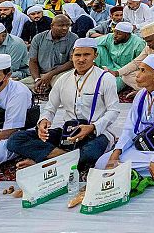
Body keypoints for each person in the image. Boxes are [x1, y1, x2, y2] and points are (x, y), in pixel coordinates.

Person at [7, 38, 120, 169]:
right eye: (78, 55)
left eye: (86, 55)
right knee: (15, 139)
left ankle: (45, 159)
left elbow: (113, 111)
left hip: (96, 133)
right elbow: (50, 107)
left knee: (90, 154)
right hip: (68, 133)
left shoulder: (106, 78)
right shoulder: (63, 79)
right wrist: (43, 121)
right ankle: (65, 157)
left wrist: (93, 127)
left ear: (95, 55)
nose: (81, 59)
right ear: (72, 56)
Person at [97, 54, 154, 182]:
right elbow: (130, 128)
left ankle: (149, 167)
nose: (137, 75)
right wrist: (116, 153)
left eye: (142, 70)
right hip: (142, 143)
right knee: (101, 163)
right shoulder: (140, 95)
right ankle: (153, 170)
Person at [27, 14, 77, 93]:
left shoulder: (73, 38)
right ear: (52, 26)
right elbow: (33, 61)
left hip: (60, 74)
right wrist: (37, 79)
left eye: (68, 25)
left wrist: (50, 75)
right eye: (61, 25)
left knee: (61, 87)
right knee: (20, 85)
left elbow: (72, 62)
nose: (65, 28)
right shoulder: (38, 38)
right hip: (41, 75)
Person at [94, 21, 145, 91]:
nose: (115, 35)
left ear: (127, 35)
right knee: (97, 48)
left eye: (119, 34)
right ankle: (94, 72)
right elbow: (92, 42)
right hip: (109, 63)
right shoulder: (110, 37)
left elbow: (139, 64)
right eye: (115, 32)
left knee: (109, 88)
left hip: (124, 71)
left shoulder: (138, 44)